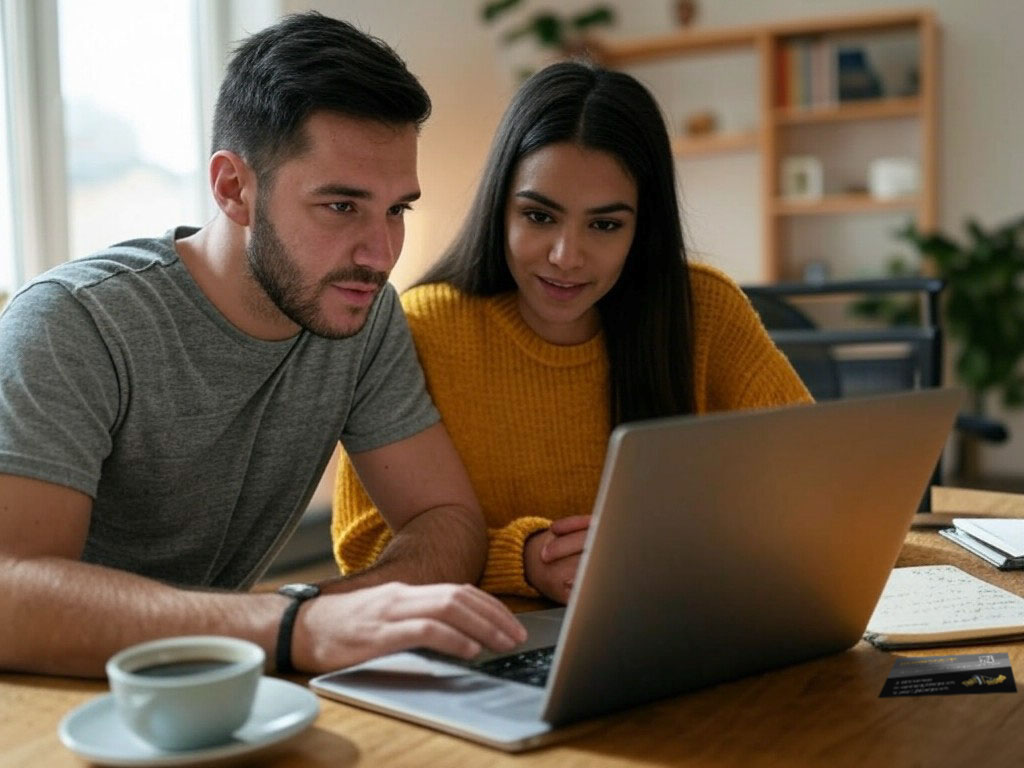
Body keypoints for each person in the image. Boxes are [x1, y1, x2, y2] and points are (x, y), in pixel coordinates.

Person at [0, 12, 527, 679]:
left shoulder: (361, 312)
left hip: (213, 689)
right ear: (233, 189)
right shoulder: (73, 323)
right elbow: (10, 596)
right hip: (46, 704)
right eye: (342, 206)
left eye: (397, 209)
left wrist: (336, 620)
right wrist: (296, 628)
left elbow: (446, 519)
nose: (380, 252)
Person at [333, 60, 812, 604]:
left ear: (641, 228)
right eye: (539, 217)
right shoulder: (419, 327)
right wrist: (524, 561)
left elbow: (815, 487)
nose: (566, 257)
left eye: (605, 225)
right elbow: (365, 545)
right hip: (495, 641)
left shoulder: (703, 309)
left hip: (685, 617)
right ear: (500, 208)